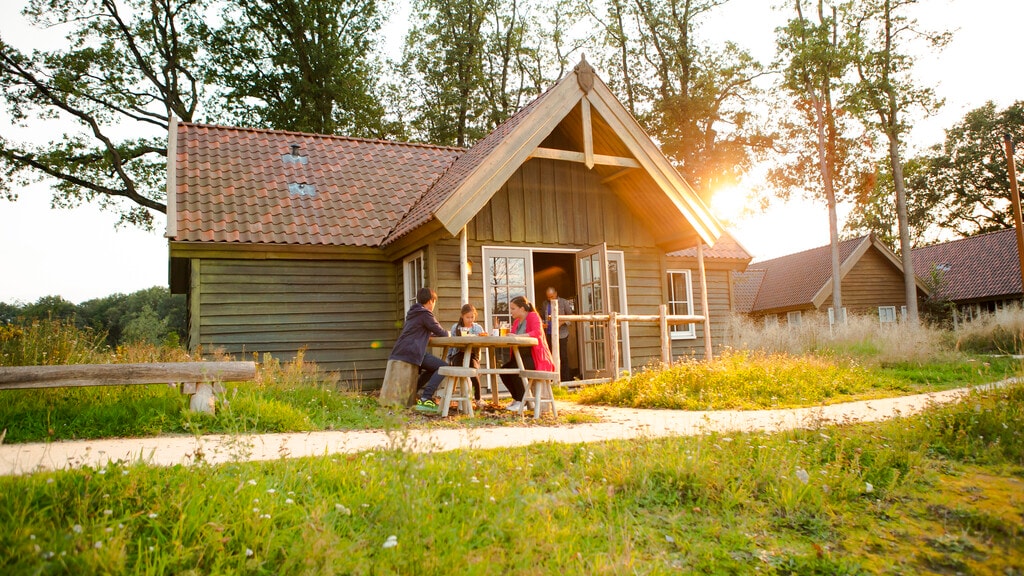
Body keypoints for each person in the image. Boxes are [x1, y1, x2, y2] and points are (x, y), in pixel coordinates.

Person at [388, 287, 449, 413]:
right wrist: (448, 333)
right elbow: (441, 332)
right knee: (443, 367)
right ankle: (426, 398)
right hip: (412, 352)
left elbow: (418, 331)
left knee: (433, 368)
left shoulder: (413, 313)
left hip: (402, 350)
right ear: (431, 301)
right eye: (434, 302)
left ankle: (412, 392)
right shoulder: (425, 314)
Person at [499, 295, 555, 412]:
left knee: (516, 370)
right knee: (504, 371)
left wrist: (518, 336)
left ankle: (522, 402)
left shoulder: (533, 316)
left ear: (522, 309)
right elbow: (512, 337)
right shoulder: (516, 323)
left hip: (535, 358)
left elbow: (537, 333)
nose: (511, 311)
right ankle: (517, 399)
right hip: (520, 357)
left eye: (513, 308)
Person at [447, 303, 486, 406]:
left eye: (472, 317)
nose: (470, 320)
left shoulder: (477, 328)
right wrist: (449, 358)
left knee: (473, 370)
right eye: (467, 317)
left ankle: (478, 398)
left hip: (473, 355)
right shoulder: (456, 327)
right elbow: (451, 345)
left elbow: (483, 341)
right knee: (465, 368)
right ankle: (459, 398)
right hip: (458, 354)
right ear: (462, 316)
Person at [543, 286, 573, 382]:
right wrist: (544, 324)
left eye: (552, 296)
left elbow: (571, 317)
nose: (550, 299)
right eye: (548, 297)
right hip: (549, 334)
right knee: (550, 357)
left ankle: (565, 380)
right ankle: (552, 380)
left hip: (562, 334)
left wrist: (562, 322)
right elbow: (543, 317)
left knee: (563, 357)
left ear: (556, 293)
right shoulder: (544, 304)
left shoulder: (564, 302)